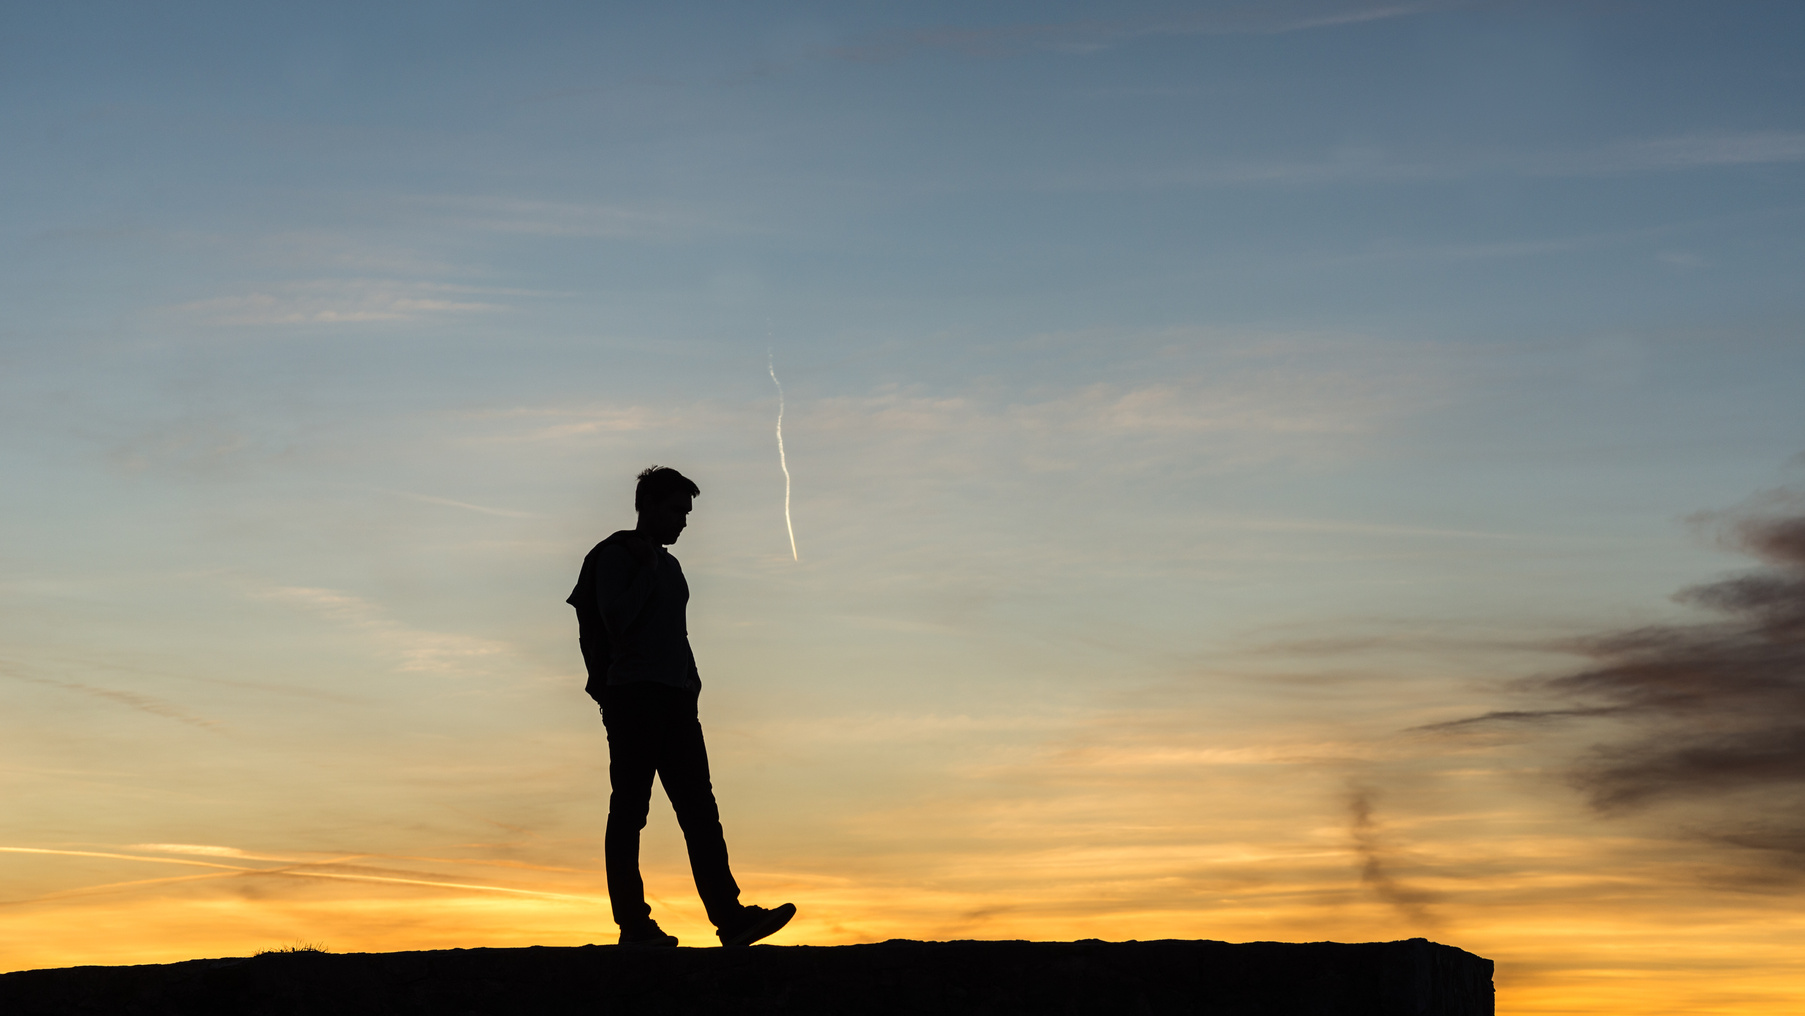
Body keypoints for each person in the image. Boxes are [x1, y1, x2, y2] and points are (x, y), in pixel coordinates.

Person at [567, 465, 796, 948]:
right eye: (675, 510)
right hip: (633, 698)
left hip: (676, 700)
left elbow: (674, 632)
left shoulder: (670, 565)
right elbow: (616, 621)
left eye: (687, 513)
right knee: (630, 812)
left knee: (699, 811)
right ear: (646, 505)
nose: (684, 522)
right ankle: (634, 925)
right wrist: (646, 572)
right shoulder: (615, 556)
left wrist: (691, 682)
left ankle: (731, 919)